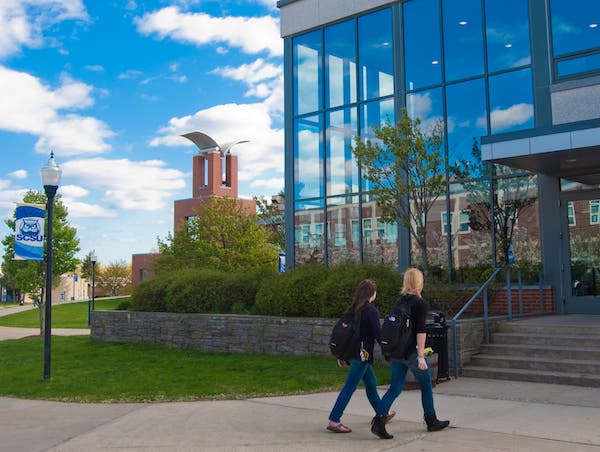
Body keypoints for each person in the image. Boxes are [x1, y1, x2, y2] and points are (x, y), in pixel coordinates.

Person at [371, 268, 449, 439]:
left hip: (397, 352)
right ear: (419, 282)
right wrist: (421, 356)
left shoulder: (400, 301)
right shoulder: (420, 303)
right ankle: (431, 420)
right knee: (426, 385)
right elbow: (421, 331)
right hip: (412, 353)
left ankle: (378, 421)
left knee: (395, 388)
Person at [326, 279, 395, 433]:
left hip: (353, 353)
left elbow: (344, 335)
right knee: (350, 387)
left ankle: (382, 412)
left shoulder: (353, 310)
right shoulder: (370, 311)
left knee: (371, 383)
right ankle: (334, 419)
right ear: (372, 294)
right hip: (362, 355)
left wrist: (342, 355)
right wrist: (389, 350)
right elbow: (379, 335)